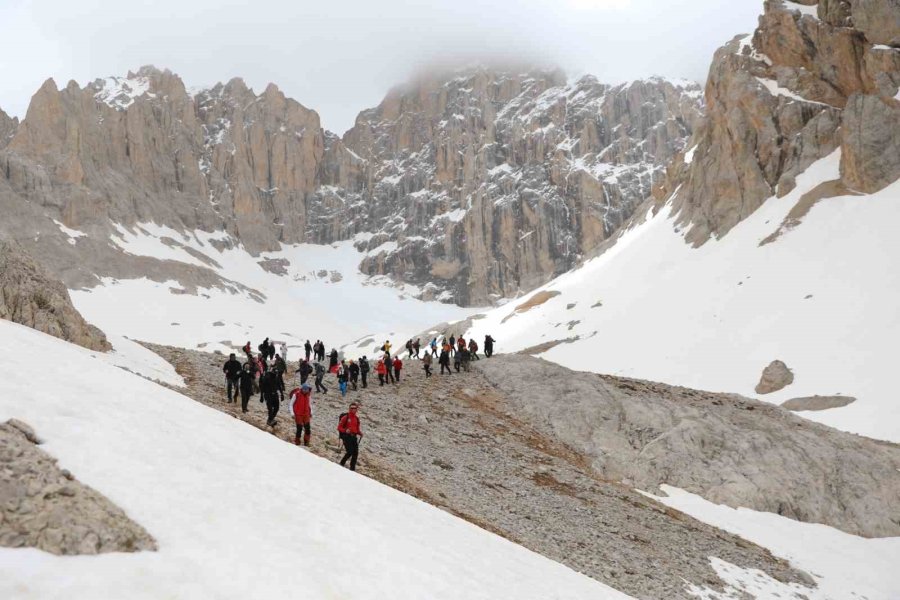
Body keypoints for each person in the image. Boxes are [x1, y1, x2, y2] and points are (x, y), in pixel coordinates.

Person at [338, 403, 362, 471]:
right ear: (349, 409)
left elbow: (357, 429)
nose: (353, 409)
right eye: (352, 408)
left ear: (357, 409)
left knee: (355, 453)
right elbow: (339, 427)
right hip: (347, 436)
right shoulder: (345, 417)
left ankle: (352, 469)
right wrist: (345, 430)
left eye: (355, 408)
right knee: (350, 451)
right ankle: (342, 463)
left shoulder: (356, 419)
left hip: (354, 437)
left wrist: (360, 433)